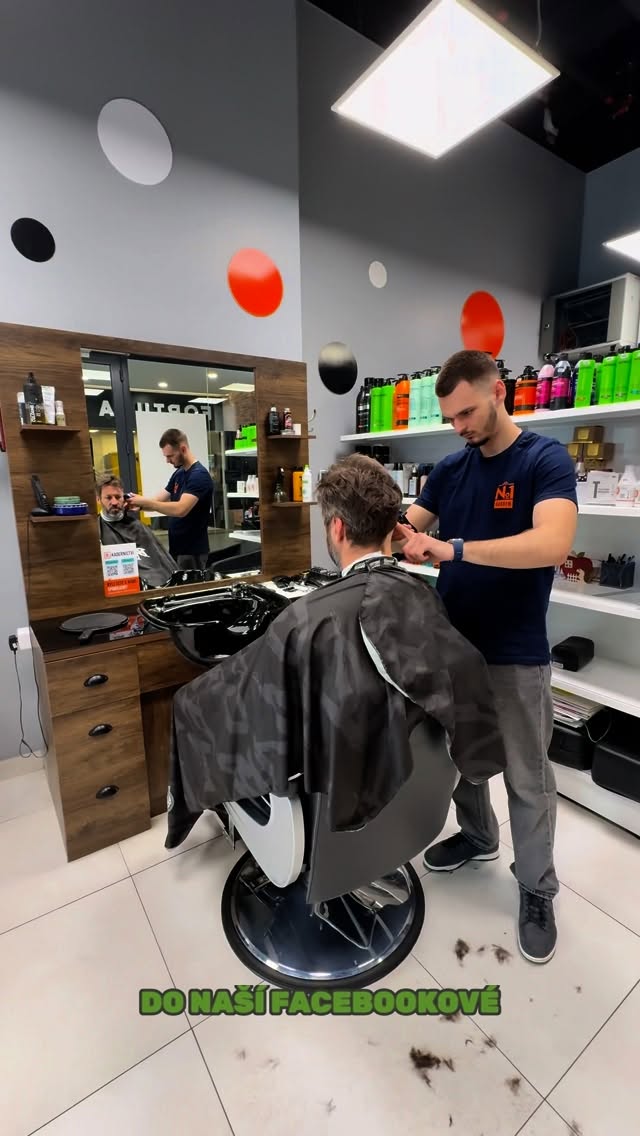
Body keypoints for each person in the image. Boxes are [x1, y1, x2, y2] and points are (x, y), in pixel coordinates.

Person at [165, 454, 507, 850]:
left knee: (189, 702)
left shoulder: (304, 620)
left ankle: (194, 812)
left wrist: (187, 703)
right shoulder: (420, 595)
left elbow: (251, 708)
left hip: (335, 802)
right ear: (392, 526)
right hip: (409, 808)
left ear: (338, 527)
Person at [393, 349, 578, 965]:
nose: (460, 427)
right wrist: (380, 523)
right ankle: (477, 838)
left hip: (516, 653)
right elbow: (407, 528)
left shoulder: (544, 460)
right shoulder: (452, 469)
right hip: (453, 647)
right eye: (450, 418)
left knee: (527, 777)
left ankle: (537, 888)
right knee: (461, 760)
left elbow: (552, 543)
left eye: (467, 412)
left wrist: (454, 549)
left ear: (499, 391)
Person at [128, 428, 214, 570]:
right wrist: (137, 503)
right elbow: (158, 499)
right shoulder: (179, 473)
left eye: (170, 456)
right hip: (177, 547)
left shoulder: (199, 476)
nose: (167, 461)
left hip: (192, 551)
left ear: (183, 449)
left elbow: (181, 509)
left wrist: (146, 503)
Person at [96, 473, 177, 589]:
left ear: (124, 498)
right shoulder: (95, 530)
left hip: (153, 587)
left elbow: (161, 565)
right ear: (98, 499)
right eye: (108, 498)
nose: (114, 502)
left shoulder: (138, 527)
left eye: (118, 497)